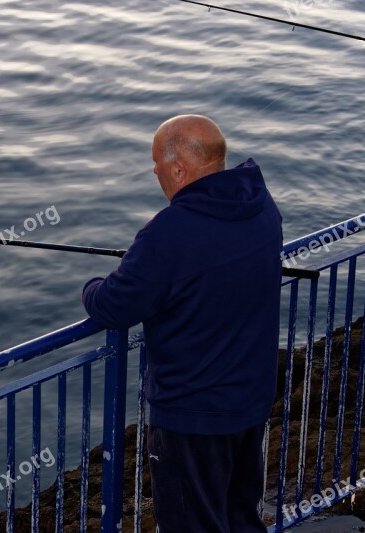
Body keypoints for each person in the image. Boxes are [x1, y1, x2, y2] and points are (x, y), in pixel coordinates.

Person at [82, 115, 283, 532]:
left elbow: (112, 305)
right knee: (241, 516)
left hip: (193, 416)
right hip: (250, 399)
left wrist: (92, 286)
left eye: (157, 163)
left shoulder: (168, 234)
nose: (154, 171)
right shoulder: (261, 207)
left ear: (178, 168)